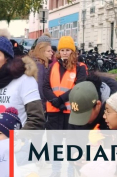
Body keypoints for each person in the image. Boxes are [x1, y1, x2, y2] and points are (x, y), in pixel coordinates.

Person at [0, 36, 45, 144]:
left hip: (14, 148)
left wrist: (17, 141)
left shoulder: (24, 80)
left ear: (7, 58)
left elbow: (37, 119)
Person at [43, 36, 86, 177]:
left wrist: (60, 100)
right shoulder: (52, 66)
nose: (65, 53)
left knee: (71, 145)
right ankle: (55, 172)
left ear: (73, 51)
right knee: (56, 145)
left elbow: (78, 87)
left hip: (70, 113)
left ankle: (70, 172)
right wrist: (55, 101)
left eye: (68, 50)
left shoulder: (80, 68)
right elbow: (46, 87)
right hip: (55, 112)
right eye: (62, 50)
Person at [29, 33, 54, 117]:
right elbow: (40, 89)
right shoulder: (40, 65)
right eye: (48, 51)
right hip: (40, 108)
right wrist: (43, 108)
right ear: (42, 51)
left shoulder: (38, 63)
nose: (52, 53)